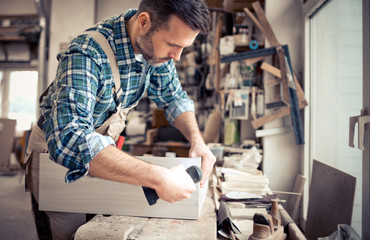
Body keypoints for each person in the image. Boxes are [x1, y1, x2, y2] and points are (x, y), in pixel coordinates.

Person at [25, 0, 216, 239]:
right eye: (173, 45)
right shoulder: (86, 53)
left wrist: (197, 140)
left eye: (183, 48)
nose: (176, 57)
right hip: (57, 160)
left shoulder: (155, 52)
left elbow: (173, 98)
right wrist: (159, 177)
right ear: (144, 22)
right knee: (71, 233)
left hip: (99, 155)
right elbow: (70, 138)